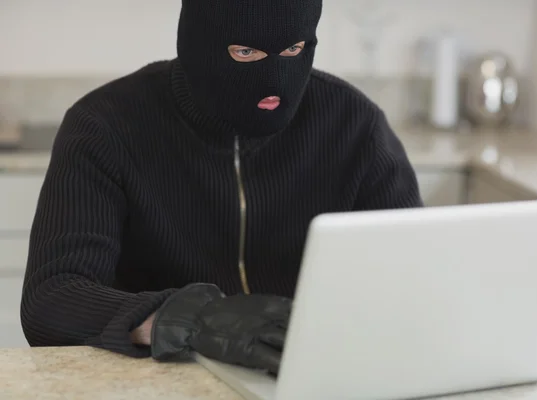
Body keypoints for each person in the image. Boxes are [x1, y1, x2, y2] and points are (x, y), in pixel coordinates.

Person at [20, 0, 422, 375]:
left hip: (309, 375)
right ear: (197, 43)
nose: (273, 77)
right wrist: (191, 321)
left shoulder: (354, 124)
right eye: (245, 53)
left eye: (292, 50)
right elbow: (51, 299)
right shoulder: (105, 126)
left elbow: (417, 280)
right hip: (160, 375)